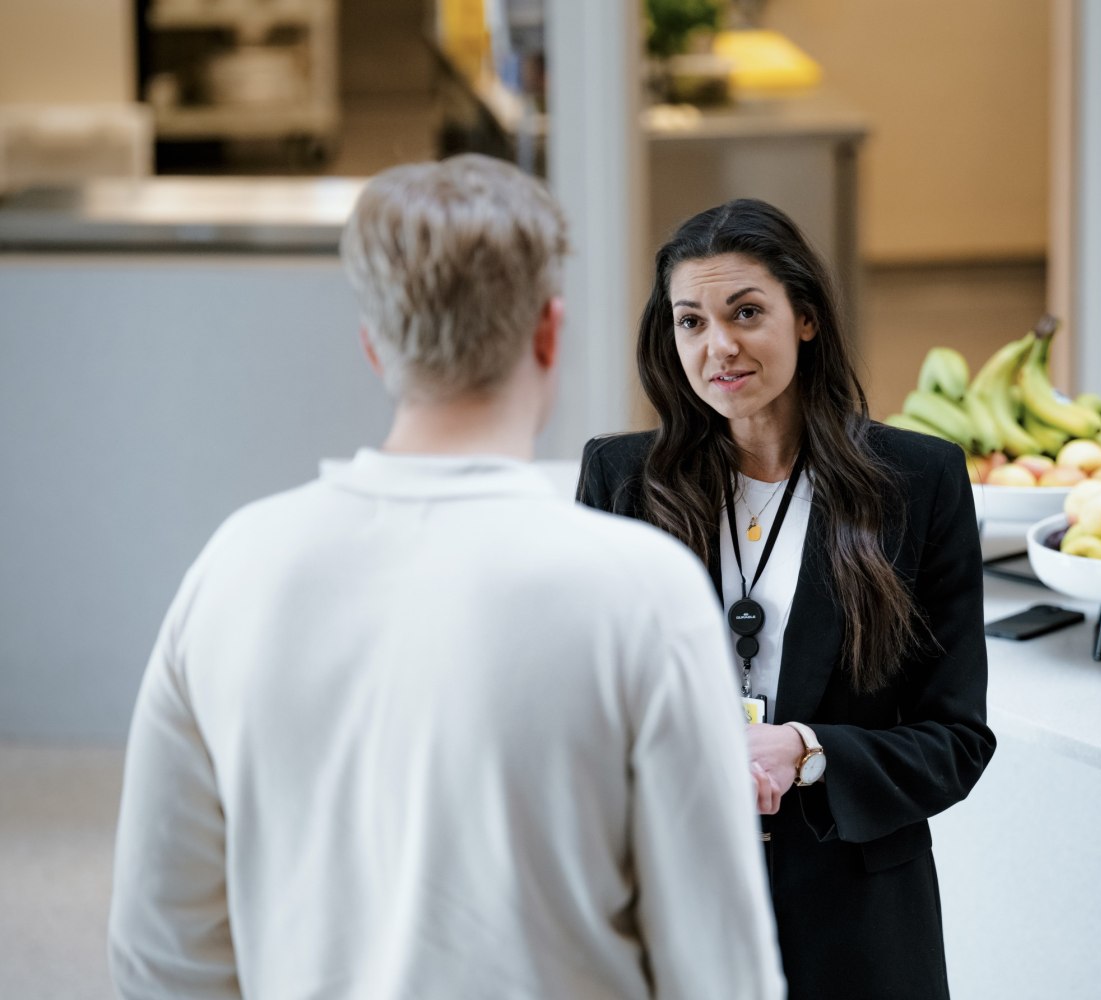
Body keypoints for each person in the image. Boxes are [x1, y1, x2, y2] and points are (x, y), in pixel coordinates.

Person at [107, 156, 785, 1000]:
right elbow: (718, 968)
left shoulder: (234, 570)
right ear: (548, 331)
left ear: (374, 348)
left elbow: (161, 953)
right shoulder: (643, 593)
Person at [577, 198, 996, 999]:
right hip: (671, 906)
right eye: (690, 322)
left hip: (856, 924)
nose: (718, 347)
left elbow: (956, 740)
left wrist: (804, 749)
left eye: (745, 313)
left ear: (805, 319)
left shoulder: (918, 483)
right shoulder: (620, 482)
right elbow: (581, 714)